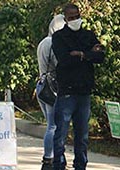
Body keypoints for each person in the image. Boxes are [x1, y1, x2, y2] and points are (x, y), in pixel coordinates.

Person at [52, 3, 105, 170]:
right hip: (67, 92)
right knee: (61, 134)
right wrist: (89, 54)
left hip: (84, 92)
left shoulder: (88, 35)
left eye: (77, 16)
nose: (75, 20)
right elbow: (64, 59)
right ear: (65, 19)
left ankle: (80, 165)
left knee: (82, 136)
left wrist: (81, 54)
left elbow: (100, 56)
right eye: (71, 18)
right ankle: (59, 165)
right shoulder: (59, 37)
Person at [36, 14, 65, 170]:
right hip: (53, 87)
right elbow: (58, 66)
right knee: (54, 126)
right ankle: (49, 159)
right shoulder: (54, 43)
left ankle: (53, 157)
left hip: (41, 85)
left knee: (50, 124)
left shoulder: (43, 42)